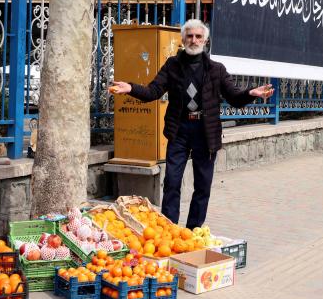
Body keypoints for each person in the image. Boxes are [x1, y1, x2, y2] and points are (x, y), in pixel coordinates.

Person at [110, 19, 273, 229]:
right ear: (183, 39)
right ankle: (168, 229)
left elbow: (233, 97)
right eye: (189, 36)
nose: (193, 40)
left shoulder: (216, 69)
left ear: (205, 40)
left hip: (205, 133)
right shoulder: (172, 65)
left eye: (198, 36)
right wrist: (131, 88)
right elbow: (153, 91)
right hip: (179, 130)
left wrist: (250, 93)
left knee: (203, 185)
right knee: (171, 183)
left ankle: (193, 231)